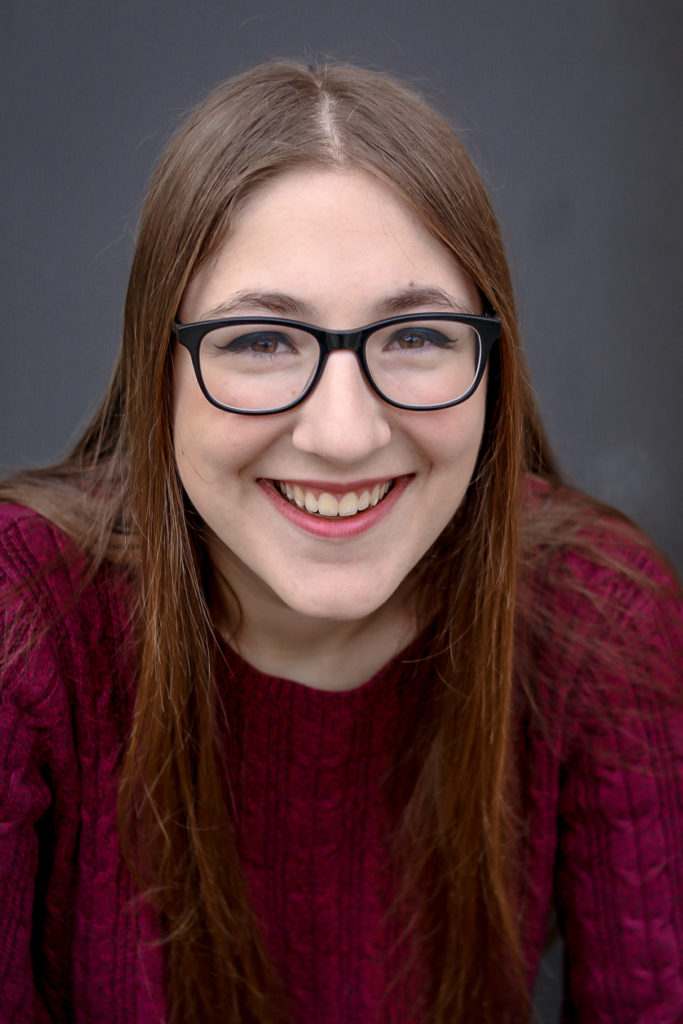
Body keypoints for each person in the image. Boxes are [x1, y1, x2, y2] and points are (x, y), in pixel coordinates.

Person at [0, 60, 680, 1024]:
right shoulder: (23, 628)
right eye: (260, 343)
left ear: (492, 366)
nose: (344, 434)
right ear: (160, 373)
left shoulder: (594, 617)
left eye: (416, 337)